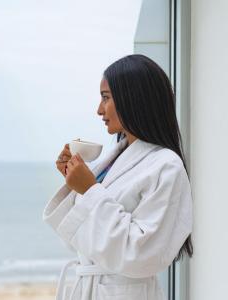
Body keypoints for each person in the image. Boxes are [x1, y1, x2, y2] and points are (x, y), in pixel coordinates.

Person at [43, 54, 193, 300]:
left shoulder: (167, 166)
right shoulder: (114, 160)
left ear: (132, 98)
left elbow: (142, 253)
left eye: (105, 98)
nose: (99, 110)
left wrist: (89, 190)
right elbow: (78, 241)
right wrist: (76, 185)